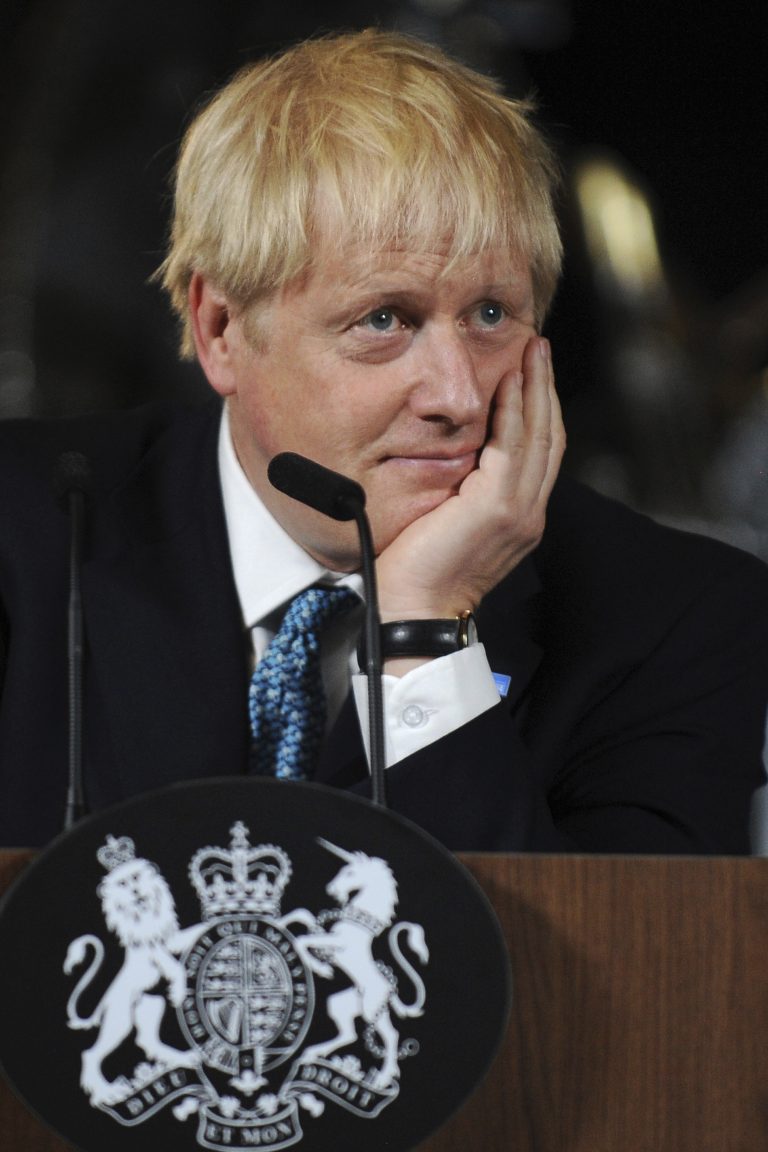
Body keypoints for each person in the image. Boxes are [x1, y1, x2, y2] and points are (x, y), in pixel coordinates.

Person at [1, 29, 767, 852]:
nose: (459, 396)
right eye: (384, 320)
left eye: (490, 315)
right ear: (220, 329)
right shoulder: (22, 536)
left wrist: (425, 630)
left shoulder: (680, 618)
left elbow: (605, 977)